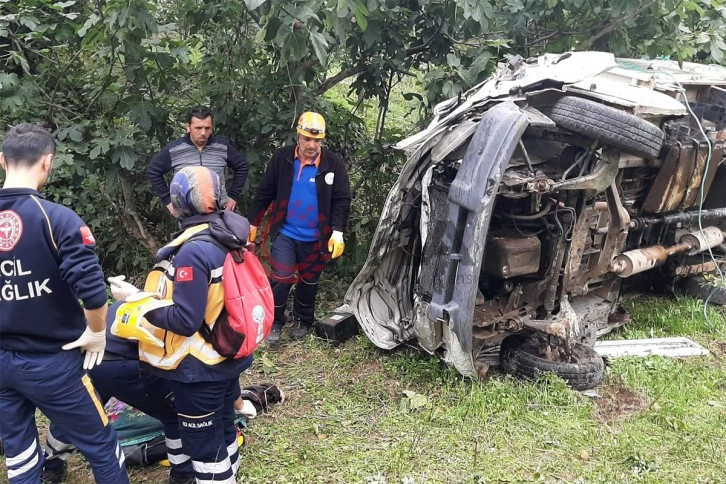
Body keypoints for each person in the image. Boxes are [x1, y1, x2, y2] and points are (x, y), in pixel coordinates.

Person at [0, 123, 129, 483]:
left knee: (21, 456)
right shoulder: (57, 219)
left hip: (2, 363)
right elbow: (91, 290)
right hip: (53, 363)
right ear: (48, 163)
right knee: (103, 447)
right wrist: (97, 332)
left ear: (2, 161)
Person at [110, 166, 253, 483]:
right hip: (228, 354)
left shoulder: (192, 251)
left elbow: (186, 320)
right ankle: (232, 468)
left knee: (205, 450)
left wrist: (139, 302)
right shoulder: (228, 234)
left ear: (179, 203)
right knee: (225, 421)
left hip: (200, 367)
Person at [41, 302, 195, 484]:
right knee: (176, 413)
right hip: (122, 364)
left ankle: (49, 468)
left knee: (76, 416)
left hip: (89, 358)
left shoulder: (130, 304)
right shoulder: (181, 316)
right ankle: (184, 474)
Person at [247, 111, 351, 344]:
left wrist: (337, 231)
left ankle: (303, 321)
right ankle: (274, 321)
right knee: (280, 278)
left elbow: (342, 199)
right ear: (298, 136)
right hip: (286, 232)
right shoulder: (282, 159)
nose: (312, 145)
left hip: (317, 237)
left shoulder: (332, 164)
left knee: (309, 281)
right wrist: (253, 223)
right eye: (307, 139)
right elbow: (264, 192)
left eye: (317, 140)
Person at [147, 105, 249, 216]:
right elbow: (153, 171)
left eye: (207, 128)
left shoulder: (222, 147)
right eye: (198, 128)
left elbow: (242, 166)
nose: (203, 133)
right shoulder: (174, 150)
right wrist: (168, 201)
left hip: (220, 211)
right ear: (188, 127)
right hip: (188, 215)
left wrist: (233, 196)